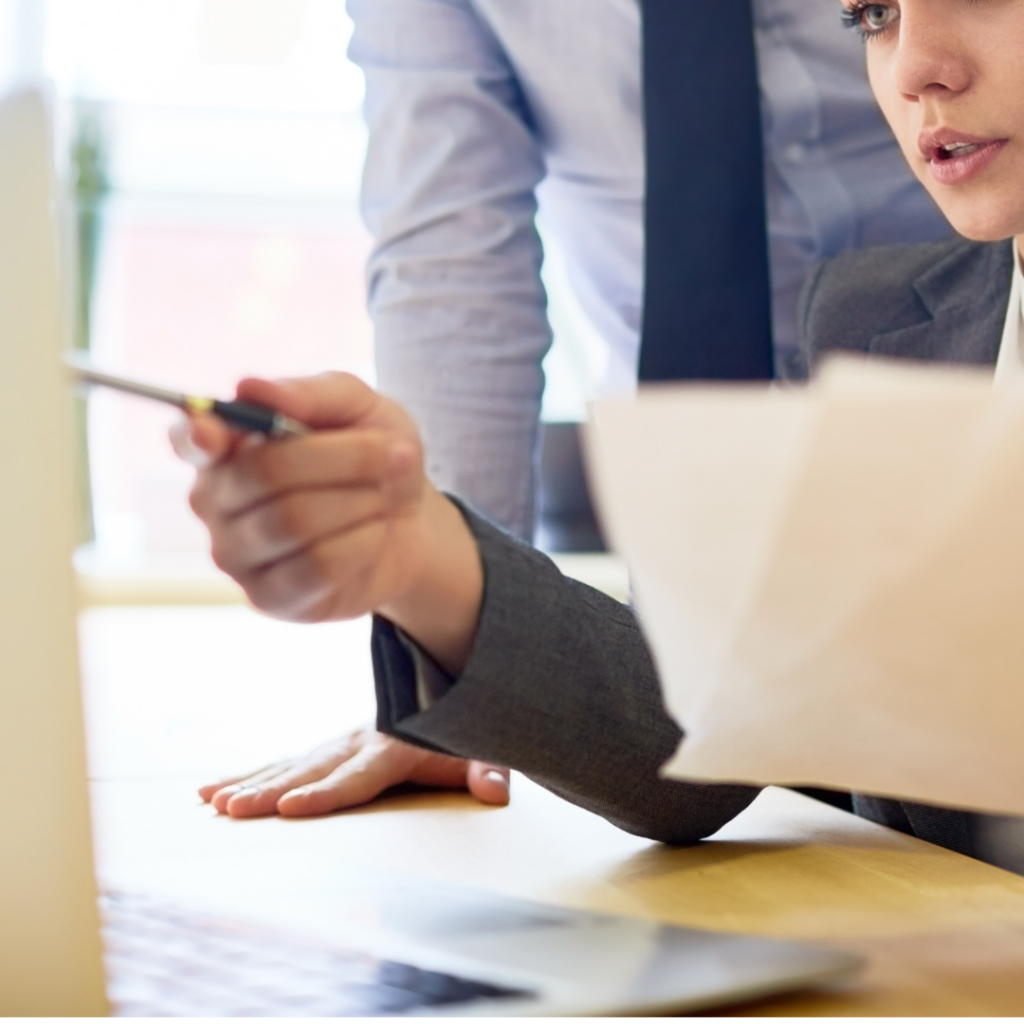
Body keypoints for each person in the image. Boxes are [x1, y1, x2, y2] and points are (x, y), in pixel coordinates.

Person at [176, 0, 1024, 867]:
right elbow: (699, 736)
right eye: (872, 15)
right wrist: (421, 551)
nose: (915, 67)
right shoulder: (873, 325)